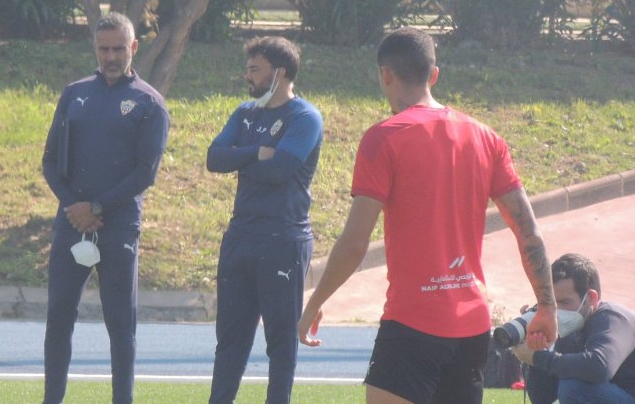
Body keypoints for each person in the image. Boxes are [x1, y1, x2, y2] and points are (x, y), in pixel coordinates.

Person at [298, 27, 558, 404]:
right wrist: (547, 307)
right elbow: (528, 230)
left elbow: (355, 243)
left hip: (411, 325)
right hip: (471, 329)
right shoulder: (486, 137)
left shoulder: (383, 138)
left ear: (385, 75)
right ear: (434, 75)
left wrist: (314, 303)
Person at [40, 12, 170, 404]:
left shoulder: (149, 103)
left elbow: (145, 173)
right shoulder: (75, 93)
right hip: (71, 222)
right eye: (103, 48)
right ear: (94, 49)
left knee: (120, 322)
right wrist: (73, 206)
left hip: (118, 226)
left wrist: (97, 206)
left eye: (118, 48)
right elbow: (49, 160)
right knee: (59, 318)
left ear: (133, 47)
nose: (110, 56)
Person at [207, 37, 323, 404]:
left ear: (280, 73)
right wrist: (256, 151)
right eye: (248, 69)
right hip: (241, 234)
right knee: (230, 339)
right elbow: (214, 158)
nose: (248, 77)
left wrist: (240, 158)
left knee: (280, 341)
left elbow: (282, 170)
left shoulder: (304, 117)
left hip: (282, 240)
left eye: (255, 70)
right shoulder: (245, 113)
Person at [513, 253, 635, 404]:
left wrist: (539, 358)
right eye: (551, 303)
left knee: (574, 387)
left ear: (591, 298)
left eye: (564, 302)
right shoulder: (569, 327)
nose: (556, 310)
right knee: (572, 385)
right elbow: (543, 397)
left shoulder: (614, 317)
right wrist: (538, 348)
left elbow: (599, 367)